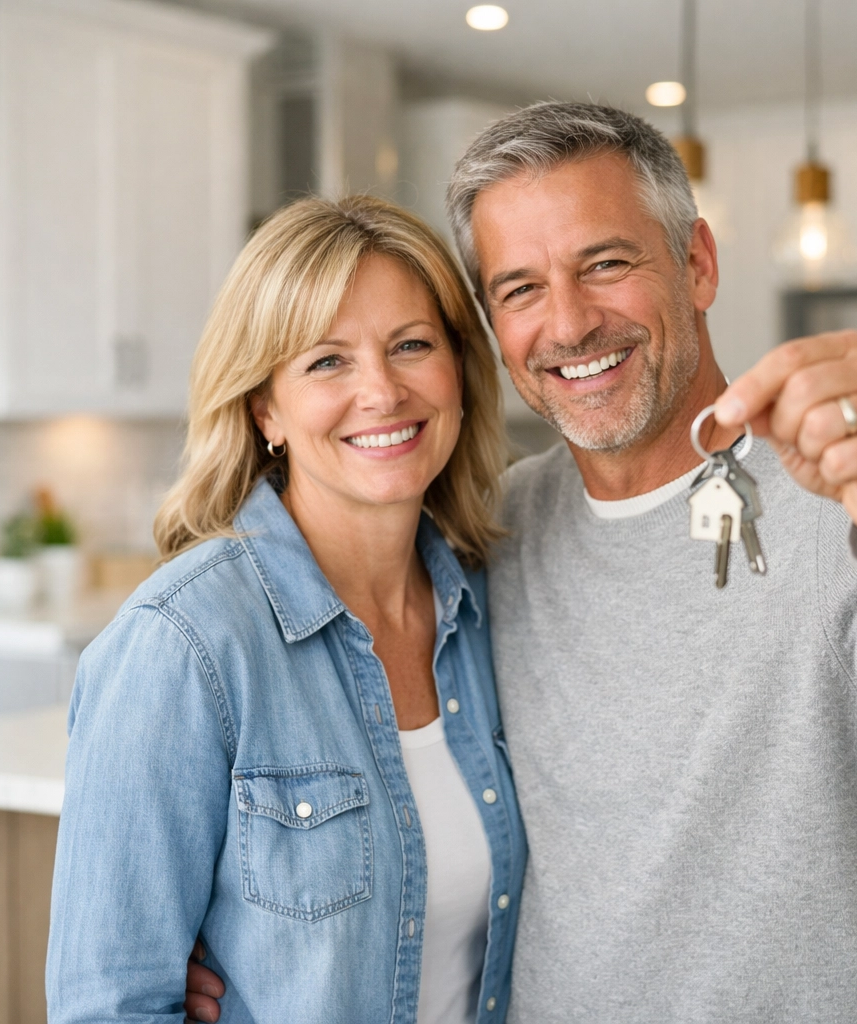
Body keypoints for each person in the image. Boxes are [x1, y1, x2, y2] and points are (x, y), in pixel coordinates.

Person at [190, 102, 857, 1023]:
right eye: (519, 289)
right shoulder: (492, 533)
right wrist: (236, 929)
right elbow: (401, 801)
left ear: (697, 263)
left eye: (607, 264)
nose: (570, 324)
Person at [46, 195, 526, 1024]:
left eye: (412, 345)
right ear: (265, 407)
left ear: (459, 373)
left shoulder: (490, 606)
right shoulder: (185, 646)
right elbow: (108, 1005)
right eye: (326, 361)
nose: (381, 391)